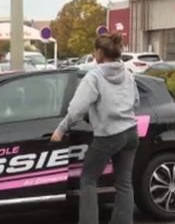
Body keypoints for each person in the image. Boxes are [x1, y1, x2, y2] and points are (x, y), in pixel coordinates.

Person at [51, 33, 140, 224]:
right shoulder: (128, 74)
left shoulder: (95, 76)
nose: (93, 53)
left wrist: (61, 128)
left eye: (94, 50)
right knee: (124, 183)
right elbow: (136, 101)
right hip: (131, 133)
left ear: (100, 52)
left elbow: (76, 109)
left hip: (109, 135)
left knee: (89, 179)